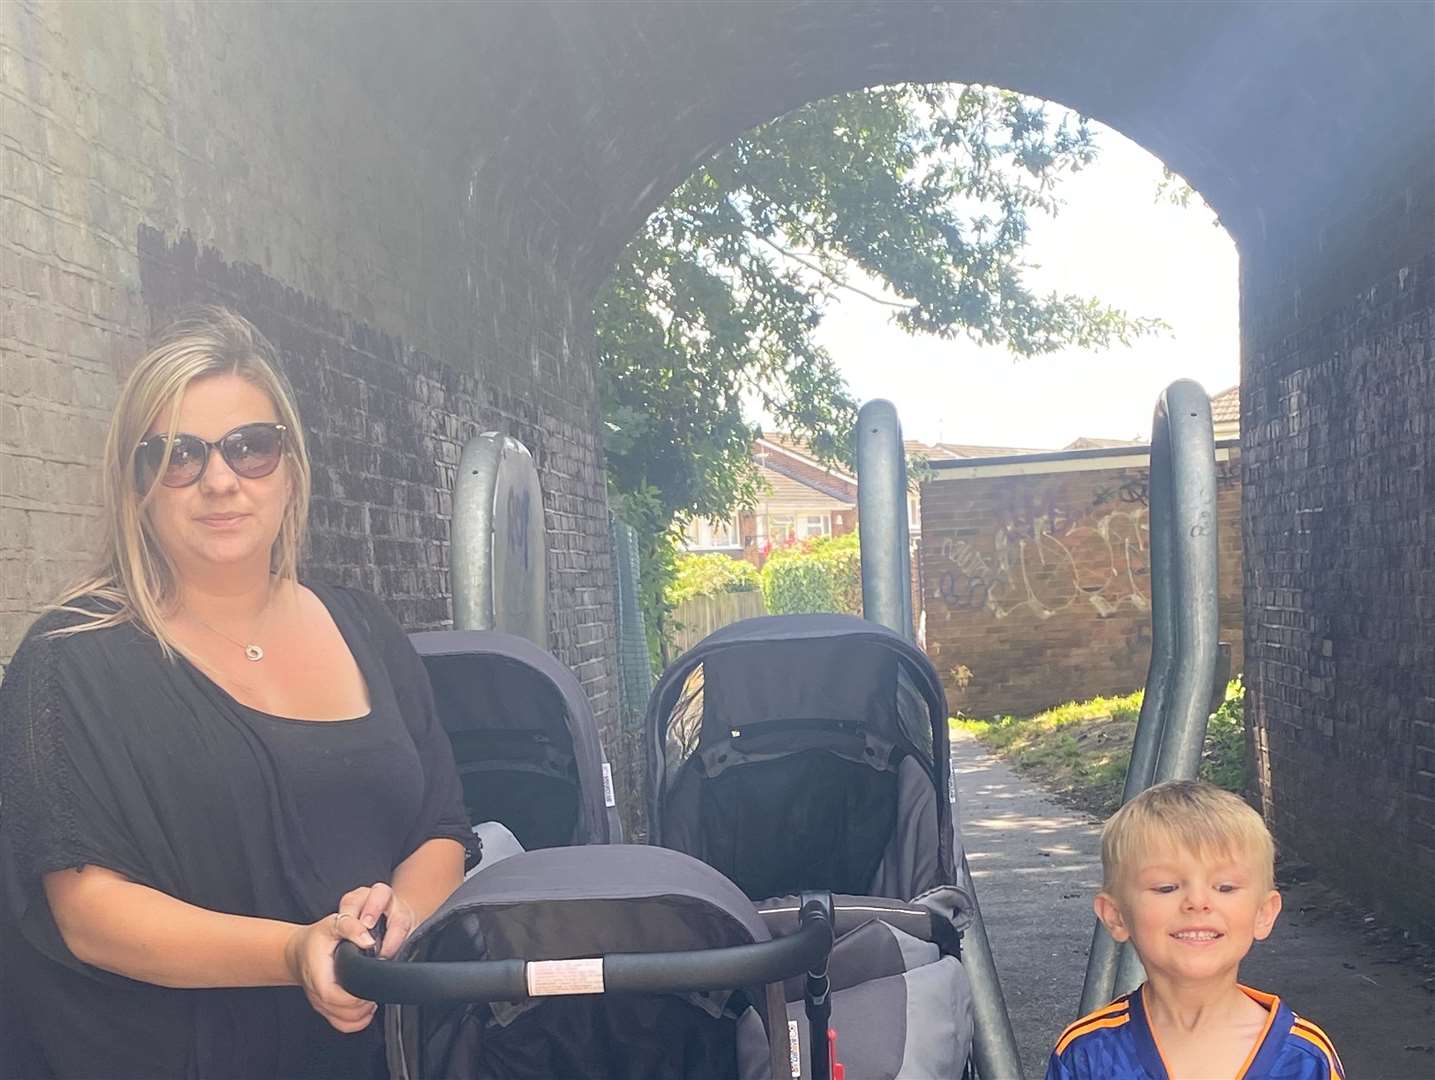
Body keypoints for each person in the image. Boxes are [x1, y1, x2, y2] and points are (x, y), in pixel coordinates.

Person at [0, 306, 477, 1079]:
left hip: (374, 1054)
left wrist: (396, 923)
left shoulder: (363, 626)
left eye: (251, 447)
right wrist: (294, 952)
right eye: (178, 456)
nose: (219, 479)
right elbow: (86, 912)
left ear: (290, 466)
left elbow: (441, 824)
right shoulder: (69, 661)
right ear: (136, 483)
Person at [1046, 780, 1344, 1080]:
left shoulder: (1305, 1058)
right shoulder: (1086, 1054)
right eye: (1166, 887)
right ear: (1116, 916)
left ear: (1264, 913)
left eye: (1225, 887)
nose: (1198, 902)